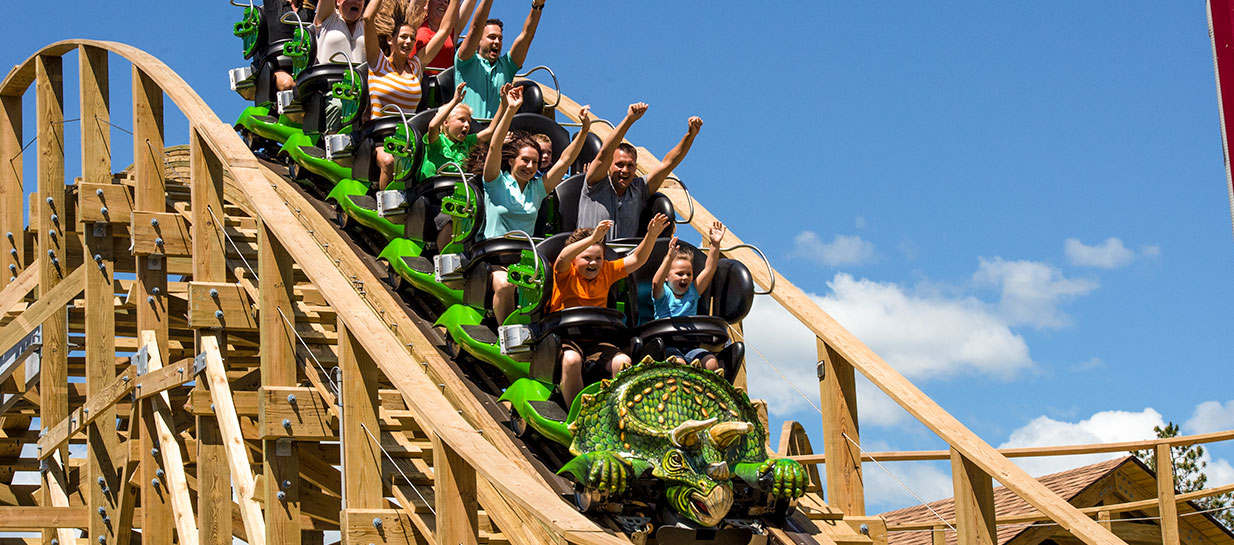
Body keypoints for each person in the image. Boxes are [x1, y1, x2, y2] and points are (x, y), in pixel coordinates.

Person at [480, 85, 591, 324]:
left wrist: (584, 130)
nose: (530, 166)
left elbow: (565, 160)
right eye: (525, 160)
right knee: (505, 285)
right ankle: (507, 332)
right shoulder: (494, 182)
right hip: (494, 258)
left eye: (534, 162)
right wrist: (510, 110)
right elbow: (494, 146)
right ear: (511, 160)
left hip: (525, 259)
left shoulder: (537, 189)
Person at [551, 215, 670, 404]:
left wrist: (652, 235)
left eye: (598, 258)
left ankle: (616, 412)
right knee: (572, 360)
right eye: (586, 258)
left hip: (597, 339)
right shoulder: (566, 272)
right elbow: (562, 258)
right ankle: (578, 414)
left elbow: (637, 259)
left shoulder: (606, 270)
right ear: (575, 260)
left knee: (623, 362)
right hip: (566, 338)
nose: (593, 263)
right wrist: (591, 238)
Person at [363, 0, 460, 189]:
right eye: (403, 37)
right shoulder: (378, 63)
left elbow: (444, 30)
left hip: (407, 137)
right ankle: (385, 202)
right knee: (390, 162)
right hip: (380, 135)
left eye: (412, 39)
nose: (408, 42)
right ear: (391, 39)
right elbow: (367, 19)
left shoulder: (416, 66)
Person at [581, 104, 704, 239]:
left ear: (636, 167)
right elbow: (604, 153)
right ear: (609, 165)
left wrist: (690, 135)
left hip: (624, 258)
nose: (625, 170)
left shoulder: (638, 189)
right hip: (588, 255)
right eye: (619, 165)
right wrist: (629, 119)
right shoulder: (595, 183)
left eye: (630, 165)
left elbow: (668, 164)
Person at [422, 82, 508, 250]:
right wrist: (454, 102)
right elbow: (432, 126)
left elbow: (490, 132)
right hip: (433, 197)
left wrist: (504, 105)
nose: (467, 126)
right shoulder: (437, 142)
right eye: (461, 120)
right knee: (451, 217)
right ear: (446, 122)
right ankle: (443, 258)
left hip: (459, 198)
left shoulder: (466, 144)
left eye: (469, 122)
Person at [649, 221, 727, 371]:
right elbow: (655, 283)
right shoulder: (663, 294)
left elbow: (709, 269)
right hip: (668, 345)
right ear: (667, 276)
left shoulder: (693, 291)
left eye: (688, 274)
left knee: (711, 362)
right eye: (679, 274)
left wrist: (715, 245)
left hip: (691, 346)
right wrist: (668, 258)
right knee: (680, 364)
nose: (684, 278)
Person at [454, 0, 545, 119]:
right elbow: (476, 27)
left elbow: (526, 36)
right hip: (467, 131)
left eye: (500, 38)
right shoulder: (466, 61)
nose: (497, 42)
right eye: (492, 37)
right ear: (479, 41)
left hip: (497, 133)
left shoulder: (506, 66)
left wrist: (537, 6)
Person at [313, 0, 366, 133]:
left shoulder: (366, 24)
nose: (355, 2)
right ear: (337, 2)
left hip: (361, 89)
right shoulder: (328, 18)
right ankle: (330, 141)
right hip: (330, 88)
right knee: (339, 105)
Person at [265, 0, 315, 92]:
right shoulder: (274, 3)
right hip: (278, 66)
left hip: (305, 65)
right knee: (288, 83)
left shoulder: (308, 5)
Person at [416, 0, 476, 74]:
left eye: (447, 2)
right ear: (427, 2)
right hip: (415, 81)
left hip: (443, 84)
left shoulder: (452, 30)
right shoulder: (416, 23)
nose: (443, 3)